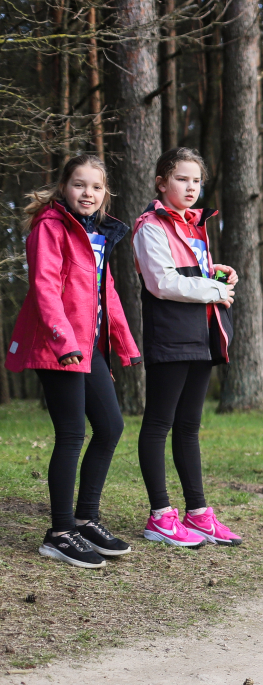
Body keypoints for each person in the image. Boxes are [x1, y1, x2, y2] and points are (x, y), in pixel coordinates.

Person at [5, 155, 142, 569]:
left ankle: (85, 519)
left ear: (105, 193)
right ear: (64, 186)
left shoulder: (96, 232)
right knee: (71, 433)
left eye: (96, 187)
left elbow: (107, 291)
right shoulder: (51, 226)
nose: (88, 193)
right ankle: (59, 532)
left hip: (89, 344)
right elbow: (45, 287)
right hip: (58, 343)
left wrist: (122, 341)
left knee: (111, 426)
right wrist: (63, 339)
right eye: (80, 185)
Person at [132, 147, 242, 548]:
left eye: (196, 180)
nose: (191, 186)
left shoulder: (196, 225)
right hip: (170, 335)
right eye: (181, 178)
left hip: (201, 333)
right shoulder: (150, 226)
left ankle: (198, 514)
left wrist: (218, 273)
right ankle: (160, 515)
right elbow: (161, 282)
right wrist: (214, 289)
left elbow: (189, 275)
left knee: (190, 426)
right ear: (162, 183)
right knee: (159, 423)